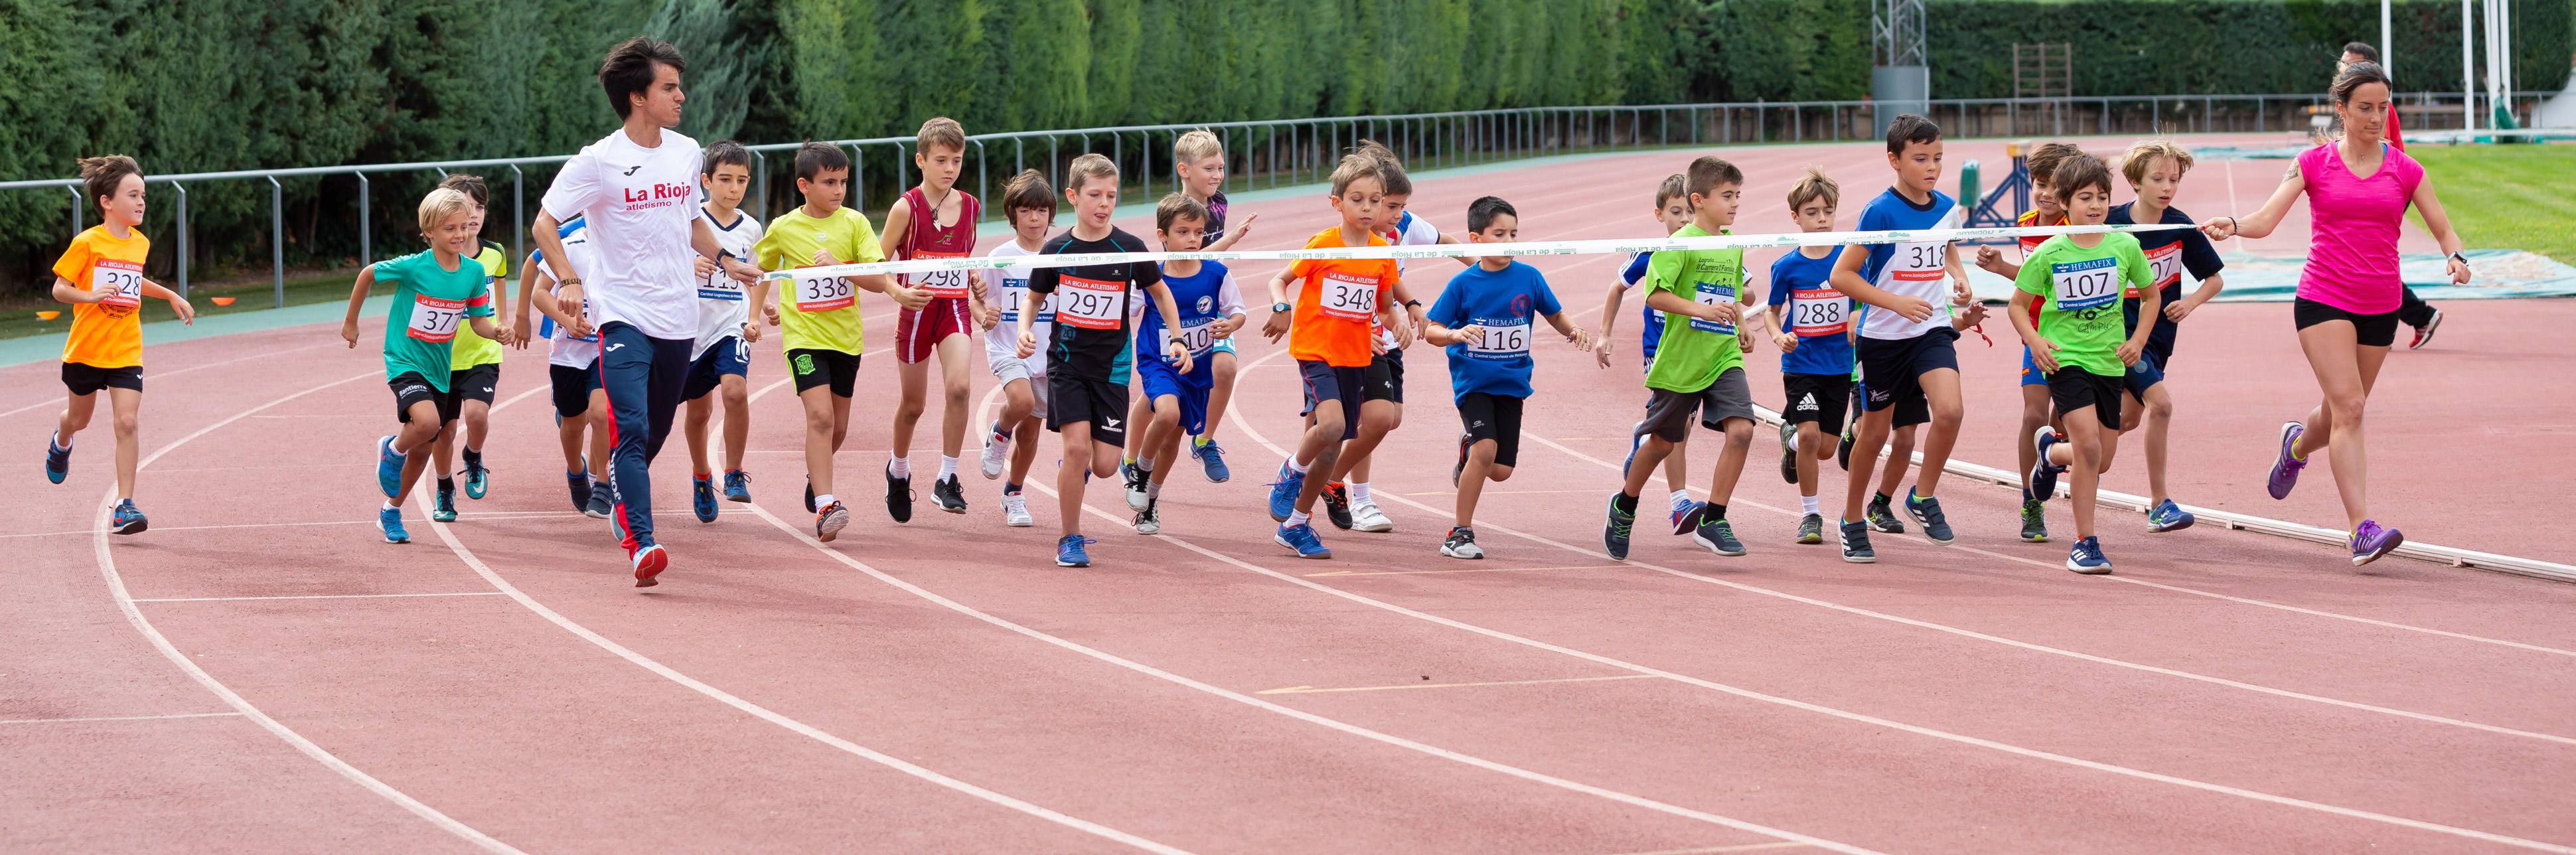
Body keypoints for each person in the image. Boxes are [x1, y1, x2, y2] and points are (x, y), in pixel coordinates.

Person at [2201, 61, 2470, 566]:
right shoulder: (2311, 163)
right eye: (2364, 108)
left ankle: (2296, 446)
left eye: (2382, 107)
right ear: (2340, 110)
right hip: (2322, 299)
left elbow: (2442, 229)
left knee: (2338, 410)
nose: (2375, 117)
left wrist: (2455, 257)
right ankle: (2360, 529)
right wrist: (2233, 224)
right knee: (2350, 408)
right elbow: (2264, 219)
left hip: (2380, 305)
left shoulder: (2406, 169)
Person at [527, 36, 766, 586]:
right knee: (629, 427)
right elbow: (544, 224)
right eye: (670, 86)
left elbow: (690, 224)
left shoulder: (686, 152)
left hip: (677, 317)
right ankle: (642, 542)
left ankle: (621, 496)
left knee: (653, 434)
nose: (681, 95)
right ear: (639, 96)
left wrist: (729, 261)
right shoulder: (598, 161)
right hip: (622, 315)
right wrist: (567, 277)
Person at [1016, 154, 1193, 567]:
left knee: (1107, 465)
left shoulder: (1129, 248)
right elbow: (1034, 298)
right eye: (1095, 195)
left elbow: (1161, 294)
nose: (1104, 203)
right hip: (1067, 364)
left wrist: (1178, 338)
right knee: (1077, 449)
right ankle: (1069, 537)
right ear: (1073, 197)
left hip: (1112, 368)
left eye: (1111, 195)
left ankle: (1073, 467)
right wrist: (1026, 329)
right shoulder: (1056, 249)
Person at [747, 142, 921, 543]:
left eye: (843, 181)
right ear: (804, 185)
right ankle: (827, 504)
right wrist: (754, 317)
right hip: (804, 339)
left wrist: (841, 267)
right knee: (821, 418)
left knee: (839, 427)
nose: (839, 189)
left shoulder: (855, 224)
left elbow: (878, 282)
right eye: (829, 182)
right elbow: (762, 271)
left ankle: (816, 475)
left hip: (845, 340)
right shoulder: (784, 227)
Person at [1829, 114, 1975, 562]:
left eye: (1937, 158)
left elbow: (1944, 242)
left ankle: (1921, 495)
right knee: (1873, 434)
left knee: (1949, 411)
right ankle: (1852, 518)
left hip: (1929, 328)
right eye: (1919, 159)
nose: (1931, 167)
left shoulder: (1946, 205)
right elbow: (1841, 275)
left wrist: (1958, 275)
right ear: (1893, 159)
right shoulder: (1879, 211)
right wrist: (1895, 303)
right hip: (1883, 336)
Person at [1604, 155, 1758, 561]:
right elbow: (1655, 295)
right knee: (1660, 443)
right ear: (1699, 199)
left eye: (1738, 196)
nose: (1735, 203)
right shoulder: (1677, 245)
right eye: (1727, 196)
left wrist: (1739, 322)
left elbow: (1729, 294)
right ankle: (1625, 505)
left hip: (1723, 354)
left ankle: (1714, 519)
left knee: (1742, 430)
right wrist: (1700, 310)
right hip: (1679, 360)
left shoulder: (1731, 243)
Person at [2009, 154, 2157, 574]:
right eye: (2085, 198)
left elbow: (2151, 297)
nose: (2095, 206)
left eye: (2103, 197)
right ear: (2065, 203)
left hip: (2109, 362)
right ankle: (2084, 542)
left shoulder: (2124, 245)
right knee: (2090, 447)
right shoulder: (2050, 251)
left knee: (2101, 459)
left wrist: (2138, 340)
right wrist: (2036, 342)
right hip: (2066, 360)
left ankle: (2050, 453)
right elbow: (2018, 306)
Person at [1423, 196, 1592, 559]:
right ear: (1476, 239)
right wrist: (1453, 334)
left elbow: (1555, 314)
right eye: (1499, 234)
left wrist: (1573, 330)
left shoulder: (1528, 277)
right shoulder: (1463, 284)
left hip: (1512, 383)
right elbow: (1432, 330)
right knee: (1487, 450)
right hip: (1474, 383)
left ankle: (1467, 450)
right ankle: (1459, 533)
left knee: (1499, 470)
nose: (1509, 242)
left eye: (1514, 234)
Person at [339, 189, 509, 544]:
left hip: (439, 367)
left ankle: (391, 510)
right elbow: (368, 274)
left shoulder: (475, 273)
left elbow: (478, 322)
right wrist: (351, 321)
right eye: (450, 229)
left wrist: (497, 332)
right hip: (404, 360)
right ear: (429, 231)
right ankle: (391, 449)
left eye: (464, 227)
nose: (460, 235)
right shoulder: (414, 266)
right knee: (428, 424)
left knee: (424, 449)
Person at [1260, 152, 1408, 560]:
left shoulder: (1381, 251)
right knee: (1332, 426)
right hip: (1316, 351)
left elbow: (1383, 305)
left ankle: (1296, 525)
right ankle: (1290, 469)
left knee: (1331, 446)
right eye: (1357, 199)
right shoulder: (1324, 244)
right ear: (1337, 203)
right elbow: (1279, 279)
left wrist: (1398, 322)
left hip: (1355, 356)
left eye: (1375, 200)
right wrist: (1280, 307)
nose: (1367, 208)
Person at [43, 155, 194, 535]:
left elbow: (133, 282)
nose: (142, 202)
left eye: (143, 195)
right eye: (133, 195)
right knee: (78, 420)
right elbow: (60, 288)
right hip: (87, 350)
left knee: (127, 421)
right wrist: (91, 296)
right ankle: (61, 442)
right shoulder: (88, 242)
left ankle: (125, 506)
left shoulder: (139, 243)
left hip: (126, 349)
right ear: (107, 201)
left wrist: (170, 295)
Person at [1314, 141, 1443, 534]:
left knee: (1385, 419)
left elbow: (1394, 284)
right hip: (1343, 341)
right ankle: (1353, 495)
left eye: (1400, 207)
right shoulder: (1337, 241)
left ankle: (1317, 478)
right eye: (1392, 207)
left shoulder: (1400, 228)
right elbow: (1305, 289)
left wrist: (1486, 269)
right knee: (1355, 421)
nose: (1397, 216)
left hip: (1383, 336)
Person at [2099, 138, 2226, 534]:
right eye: (2158, 178)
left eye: (2174, 179)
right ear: (2135, 181)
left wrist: (2190, 304)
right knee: (2162, 405)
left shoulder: (2180, 226)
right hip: (2117, 336)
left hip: (2159, 339)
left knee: (2125, 420)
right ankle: (2160, 504)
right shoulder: (2110, 222)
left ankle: (2056, 452)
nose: (2167, 187)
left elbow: (2215, 279)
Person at [1975, 141, 2082, 543]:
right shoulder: (2026, 222)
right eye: (2039, 183)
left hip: (2077, 337)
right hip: (2036, 333)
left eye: (2056, 186)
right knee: (2032, 416)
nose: (2046, 193)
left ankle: (2049, 455)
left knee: (2067, 421)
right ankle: (2031, 504)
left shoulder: (2077, 228)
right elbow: (2032, 283)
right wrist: (2002, 268)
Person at [881, 117, 984, 519]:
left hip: (954, 309)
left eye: (956, 161)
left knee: (959, 388)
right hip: (917, 312)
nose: (949, 169)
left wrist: (972, 276)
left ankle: (947, 477)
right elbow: (877, 264)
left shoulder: (971, 206)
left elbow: (963, 258)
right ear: (921, 160)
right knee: (913, 405)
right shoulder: (906, 207)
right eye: (941, 160)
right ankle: (899, 469)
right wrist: (898, 291)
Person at [1129, 193, 1247, 534]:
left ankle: (1150, 503)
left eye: (1198, 232)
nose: (1193, 240)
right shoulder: (1151, 275)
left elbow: (1237, 310)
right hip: (1158, 363)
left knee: (1173, 441)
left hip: (1197, 367)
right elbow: (1127, 310)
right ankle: (1139, 470)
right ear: (1162, 235)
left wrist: (1231, 324)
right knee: (1167, 413)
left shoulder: (1216, 273)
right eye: (1183, 232)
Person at [1595, 173, 1704, 534]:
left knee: (1677, 430)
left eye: (1689, 211)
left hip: (1697, 350)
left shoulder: (1709, 247)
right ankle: (1679, 504)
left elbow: (1745, 292)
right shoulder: (1651, 251)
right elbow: (1617, 287)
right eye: (1676, 212)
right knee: (1681, 428)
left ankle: (1644, 437)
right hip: (1659, 351)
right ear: (1659, 215)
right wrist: (1605, 334)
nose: (1685, 220)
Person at [1764, 167, 1851, 546]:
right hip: (1801, 365)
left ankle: (1791, 441)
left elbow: (1864, 297)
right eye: (1812, 213)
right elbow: (1771, 310)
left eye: (1827, 212)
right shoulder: (1787, 266)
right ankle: (1811, 515)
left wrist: (1858, 316)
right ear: (1796, 218)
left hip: (1840, 365)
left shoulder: (1850, 260)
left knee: (1826, 449)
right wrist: (1778, 335)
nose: (1821, 220)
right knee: (1812, 435)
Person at [2336, 42, 2442, 349]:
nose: (2341, 67)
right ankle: (2417, 315)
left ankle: (2419, 315)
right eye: (2341, 63)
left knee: (2366, 258)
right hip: (2366, 186)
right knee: (2357, 256)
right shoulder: (2355, 101)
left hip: (2385, 188)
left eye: (2348, 63)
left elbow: (2386, 152)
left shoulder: (2378, 108)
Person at [683, 140, 765, 521]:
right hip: (688, 330)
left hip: (730, 327)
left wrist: (756, 315)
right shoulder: (689, 221)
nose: (734, 188)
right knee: (698, 412)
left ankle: (733, 471)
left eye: (742, 181)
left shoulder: (750, 227)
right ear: (705, 181)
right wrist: (690, 266)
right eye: (725, 180)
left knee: (736, 391)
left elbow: (756, 276)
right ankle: (702, 477)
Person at [423, 173, 512, 524]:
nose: (473, 214)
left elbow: (498, 302)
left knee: (477, 416)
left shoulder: (494, 254)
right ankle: (444, 487)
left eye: (479, 207)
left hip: (481, 353)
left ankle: (473, 455)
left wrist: (504, 326)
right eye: (465, 207)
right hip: (441, 358)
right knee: (443, 431)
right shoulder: (432, 261)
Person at [1170, 130, 1257, 482]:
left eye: (1220, 167)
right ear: (1184, 170)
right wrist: (1230, 240)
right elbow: (1185, 264)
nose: (1217, 175)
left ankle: (1205, 440)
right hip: (1178, 306)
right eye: (1209, 168)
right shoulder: (1173, 212)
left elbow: (1210, 265)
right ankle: (1132, 457)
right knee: (1164, 399)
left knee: (1225, 369)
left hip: (1212, 302)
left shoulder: (1219, 203)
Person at [978, 170, 1059, 528]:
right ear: (1013, 215)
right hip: (1008, 347)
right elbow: (979, 303)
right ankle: (998, 433)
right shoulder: (1000, 256)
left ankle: (1014, 494)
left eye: (1041, 212)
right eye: (1026, 211)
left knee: (1029, 435)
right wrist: (986, 316)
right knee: (1021, 403)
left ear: (1051, 215)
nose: (1034, 219)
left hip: (1049, 353)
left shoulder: (1062, 253)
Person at [521, 216, 615, 518]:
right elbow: (540, 292)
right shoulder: (570, 246)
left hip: (608, 347)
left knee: (601, 414)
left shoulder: (627, 247)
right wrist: (567, 321)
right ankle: (576, 471)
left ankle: (602, 486)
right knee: (573, 425)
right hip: (568, 353)